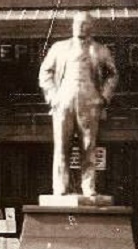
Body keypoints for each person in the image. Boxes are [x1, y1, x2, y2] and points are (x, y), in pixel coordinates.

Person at [38, 11, 118, 197]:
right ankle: (60, 187)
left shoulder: (100, 50)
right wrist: (53, 97)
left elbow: (113, 74)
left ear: (91, 27)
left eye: (84, 23)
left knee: (88, 145)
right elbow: (45, 72)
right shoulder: (59, 48)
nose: (80, 27)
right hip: (63, 100)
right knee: (61, 145)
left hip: (90, 100)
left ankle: (88, 186)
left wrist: (103, 97)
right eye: (77, 23)